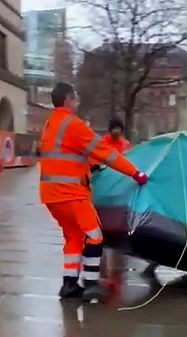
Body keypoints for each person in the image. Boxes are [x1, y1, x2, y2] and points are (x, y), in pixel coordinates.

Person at [39, 82, 148, 302]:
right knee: (95, 236)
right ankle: (90, 285)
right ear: (68, 99)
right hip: (71, 194)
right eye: (76, 99)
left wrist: (90, 165)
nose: (77, 103)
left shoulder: (51, 125)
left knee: (73, 237)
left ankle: (69, 285)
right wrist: (135, 173)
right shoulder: (74, 124)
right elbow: (106, 153)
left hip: (51, 195)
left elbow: (69, 155)